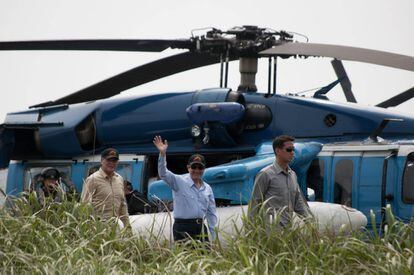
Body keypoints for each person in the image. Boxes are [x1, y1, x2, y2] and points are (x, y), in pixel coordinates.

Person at [153, 135, 217, 242]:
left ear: (204, 169)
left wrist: (215, 238)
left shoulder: (207, 188)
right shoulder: (179, 181)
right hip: (183, 228)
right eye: (194, 167)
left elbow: (211, 214)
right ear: (188, 168)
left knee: (205, 257)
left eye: (200, 167)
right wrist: (162, 154)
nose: (197, 170)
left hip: (200, 227)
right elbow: (163, 173)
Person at [249, 135, 312, 226]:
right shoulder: (265, 174)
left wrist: (311, 224)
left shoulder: (292, 175)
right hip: (271, 233)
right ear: (278, 151)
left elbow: (299, 203)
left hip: (288, 232)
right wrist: (251, 232)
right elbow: (255, 203)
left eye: (293, 150)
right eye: (289, 150)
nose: (292, 153)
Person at [81, 148, 130, 227]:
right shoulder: (93, 179)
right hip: (97, 227)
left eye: (114, 161)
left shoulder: (119, 179)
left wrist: (127, 227)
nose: (111, 163)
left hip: (115, 227)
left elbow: (123, 206)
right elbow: (84, 205)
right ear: (102, 161)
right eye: (108, 160)